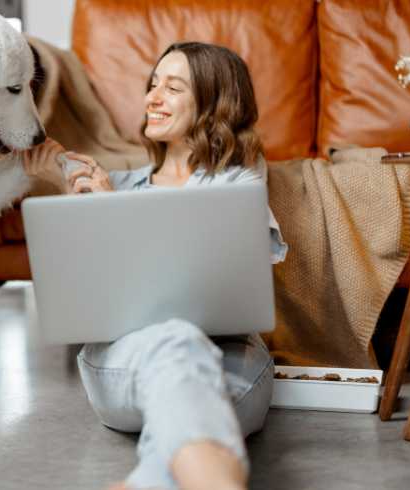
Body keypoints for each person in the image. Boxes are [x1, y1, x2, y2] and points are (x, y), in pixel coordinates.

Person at [22, 42, 288, 490]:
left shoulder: (237, 182)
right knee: (177, 340)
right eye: (152, 84)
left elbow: (225, 274)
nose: (152, 97)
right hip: (124, 367)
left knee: (177, 407)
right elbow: (93, 298)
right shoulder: (115, 186)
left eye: (173, 86)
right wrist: (94, 201)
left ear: (212, 102)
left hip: (232, 367)